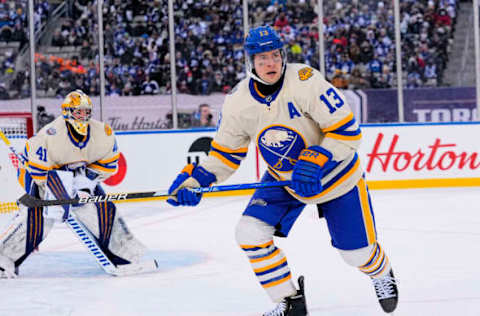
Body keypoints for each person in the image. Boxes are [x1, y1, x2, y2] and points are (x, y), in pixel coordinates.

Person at [166, 26, 398, 315]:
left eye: (275, 56)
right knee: (249, 233)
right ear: (250, 62)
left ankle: (382, 273)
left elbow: (348, 130)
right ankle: (289, 302)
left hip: (337, 177)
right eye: (262, 58)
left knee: (357, 255)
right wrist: (196, 179)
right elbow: (226, 154)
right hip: (284, 182)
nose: (270, 63)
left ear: (282, 56)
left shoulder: (306, 81)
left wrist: (318, 157)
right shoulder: (238, 102)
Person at [0, 90, 151, 278]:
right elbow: (40, 174)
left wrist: (83, 185)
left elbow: (108, 165)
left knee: (102, 210)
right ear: (67, 112)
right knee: (39, 220)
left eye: (86, 112)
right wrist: (63, 193)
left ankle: (125, 255)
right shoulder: (49, 136)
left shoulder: (102, 133)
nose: (83, 116)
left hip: (79, 175)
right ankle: (3, 259)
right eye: (78, 112)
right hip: (40, 175)